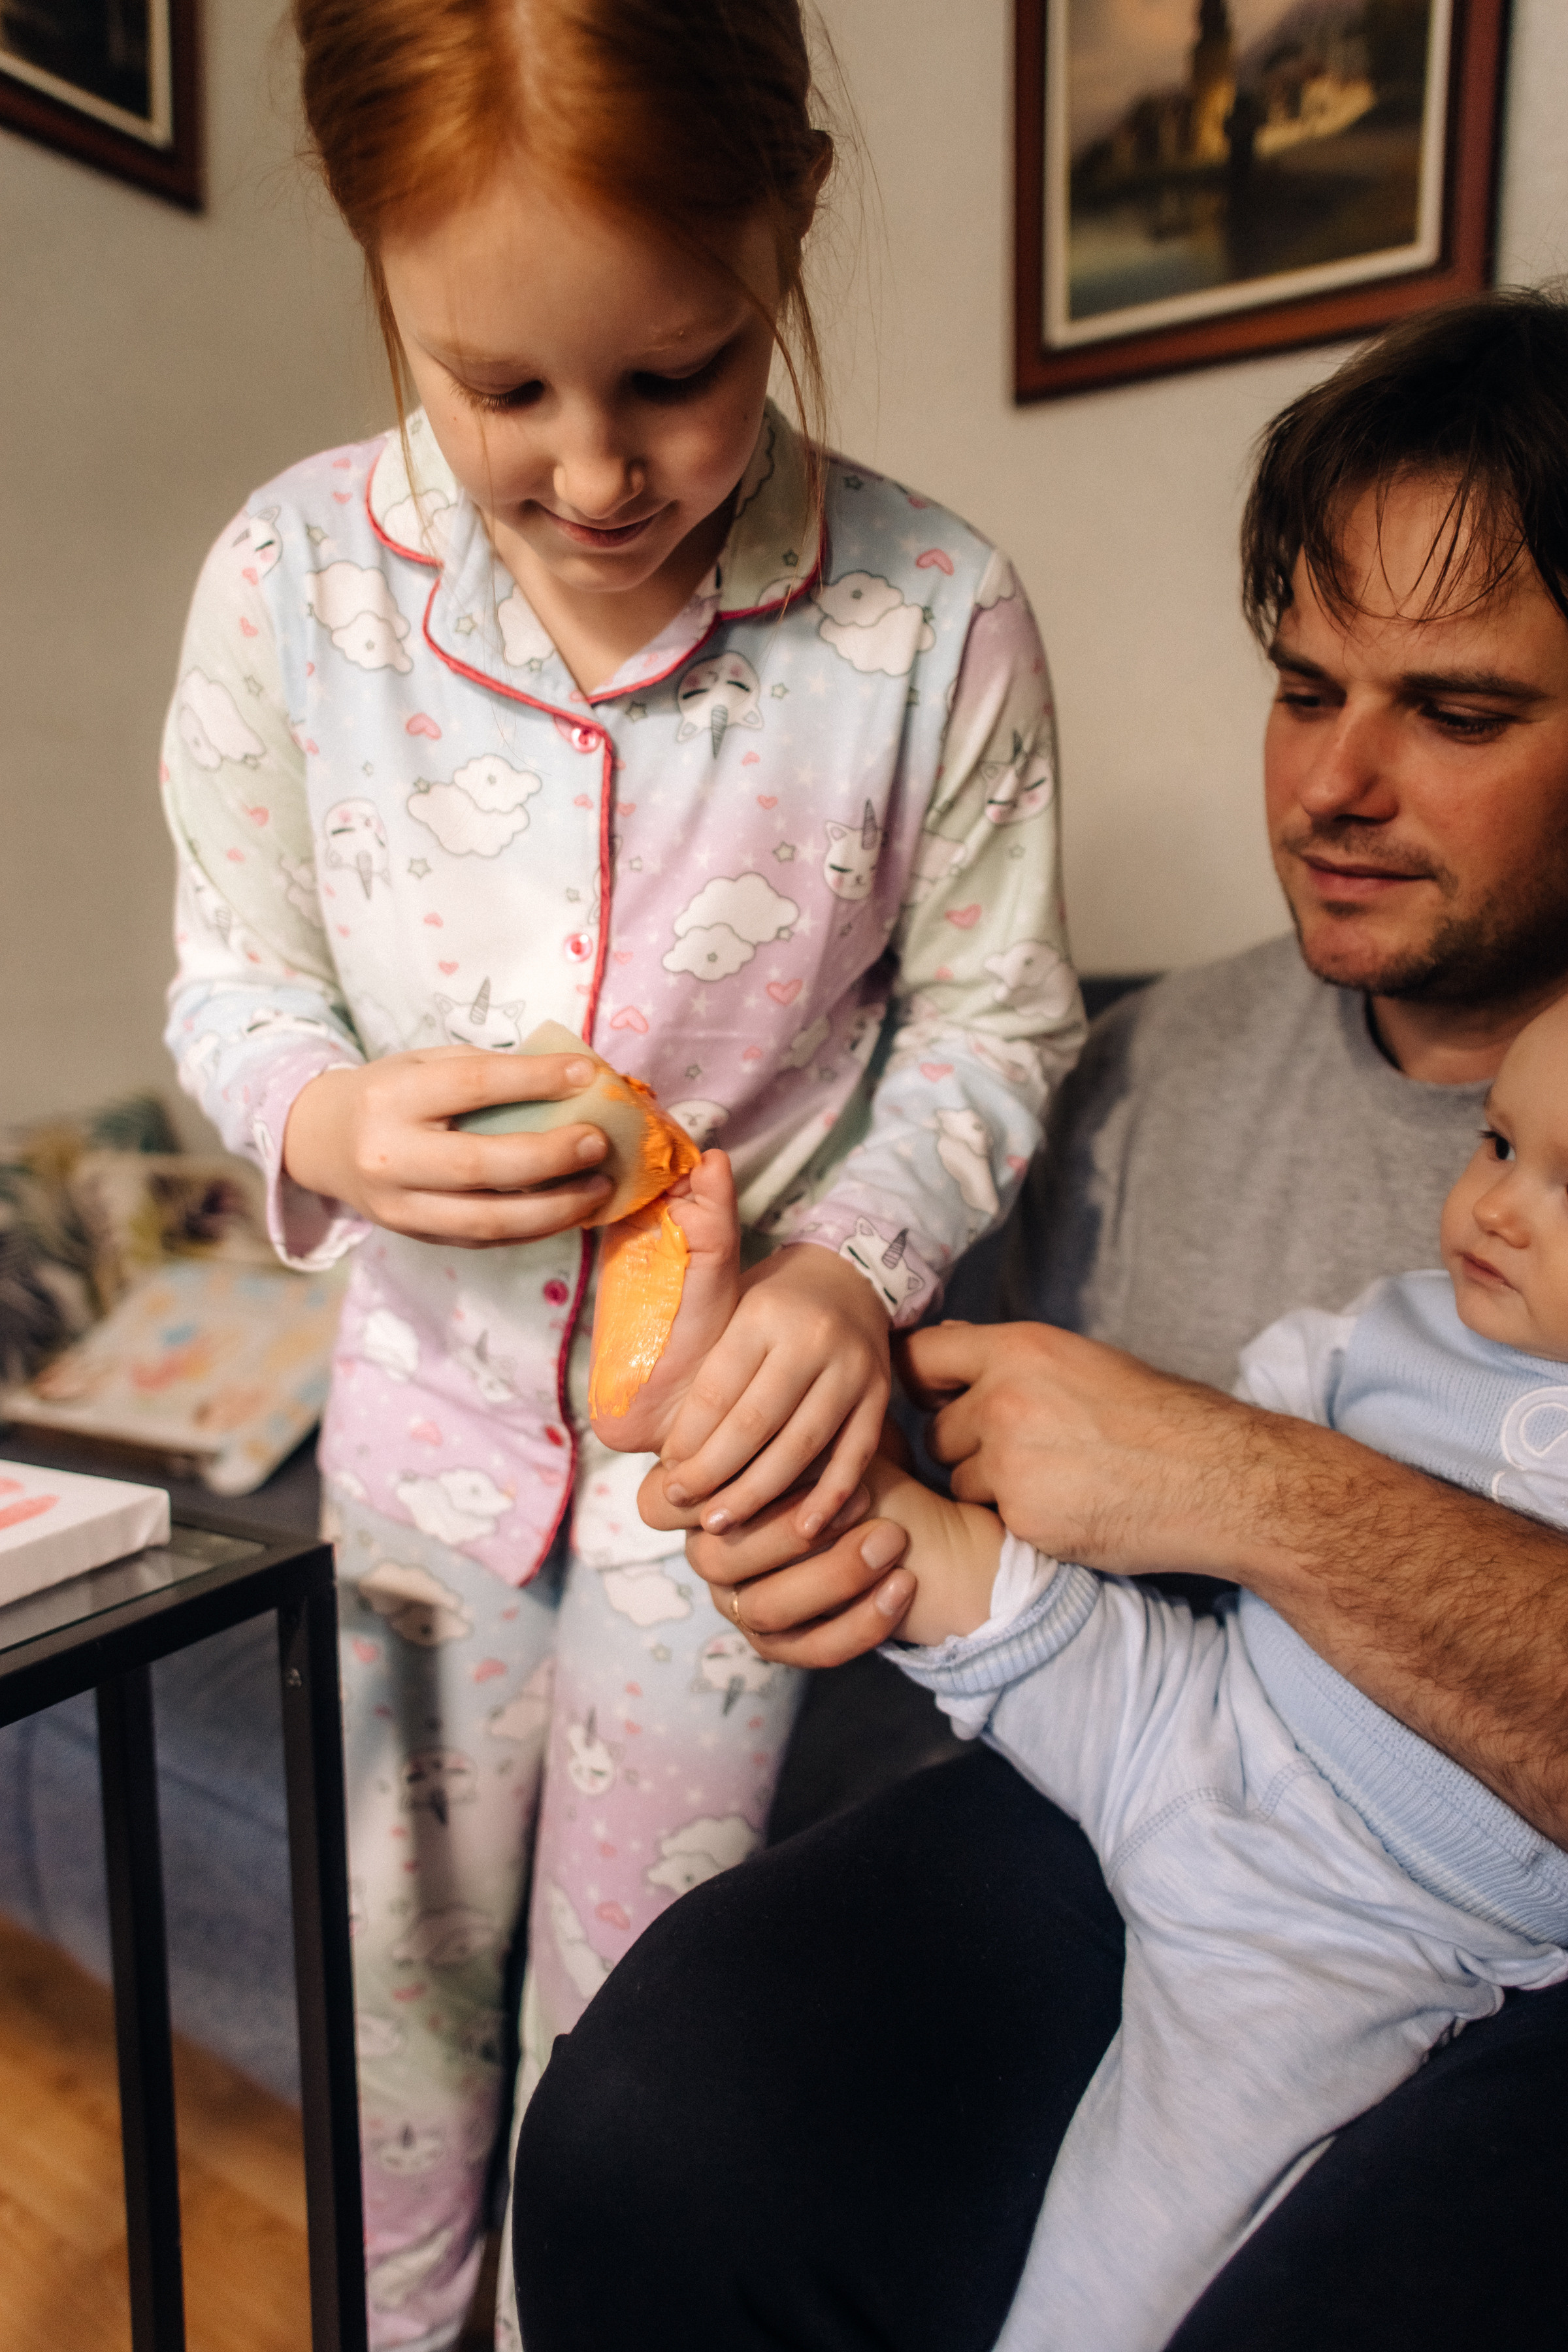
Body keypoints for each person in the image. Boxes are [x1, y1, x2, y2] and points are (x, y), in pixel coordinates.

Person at [510, 289, 1568, 2349]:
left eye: (1455, 713)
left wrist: (1243, 1483)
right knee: (648, 2125)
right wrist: (792, 1426)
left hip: (1501, 1909)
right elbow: (977, 1465)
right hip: (1138, 1780)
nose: (1335, 783)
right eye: (1301, 684)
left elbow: (1175, 1476)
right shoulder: (1153, 1060)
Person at [157, 4, 1081, 2340]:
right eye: (499, 391)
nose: (594, 475)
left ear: (789, 229)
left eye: (679, 374)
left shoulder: (935, 621)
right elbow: (234, 981)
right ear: (380, 274)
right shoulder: (288, 585)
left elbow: (993, 1022)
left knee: (641, 2035)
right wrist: (322, 1116)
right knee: (400, 2001)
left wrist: (850, 1271)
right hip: (418, 1462)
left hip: (735, 1476)